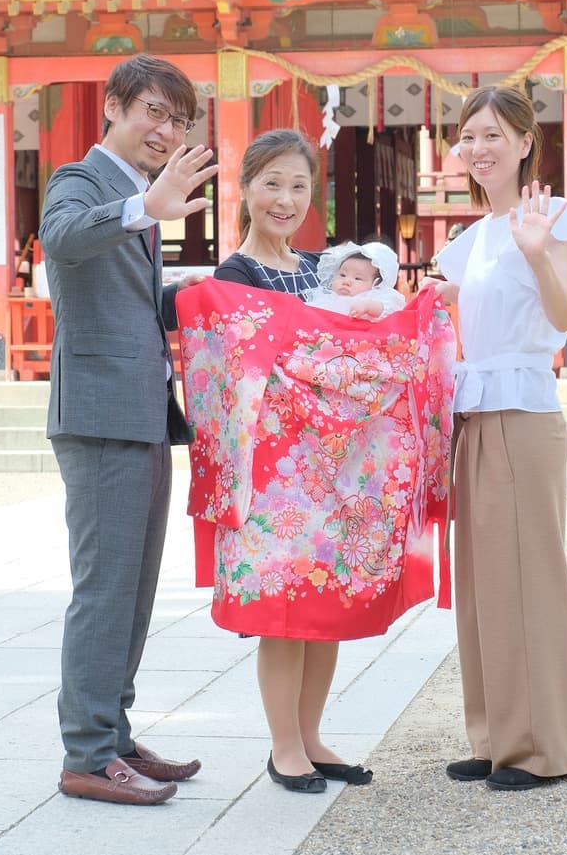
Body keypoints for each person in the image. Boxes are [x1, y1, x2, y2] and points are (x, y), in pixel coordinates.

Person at [38, 53, 219, 806]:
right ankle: (86, 753)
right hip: (101, 413)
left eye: (179, 120)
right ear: (113, 105)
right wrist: (148, 206)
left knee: (135, 589)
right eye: (154, 111)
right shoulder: (83, 181)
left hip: (144, 412)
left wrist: (231, 287)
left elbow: (138, 299)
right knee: (106, 589)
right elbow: (64, 238)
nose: (166, 129)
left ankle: (112, 733)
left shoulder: (137, 195)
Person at [425, 85, 567, 791]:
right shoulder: (465, 243)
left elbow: (564, 319)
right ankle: (494, 732)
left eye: (494, 135)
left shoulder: (553, 218)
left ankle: (541, 746)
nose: (478, 149)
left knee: (529, 573)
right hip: (473, 413)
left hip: (525, 412)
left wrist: (536, 254)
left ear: (527, 142)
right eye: (468, 136)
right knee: (480, 578)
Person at [210, 129, 378, 793]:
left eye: (299, 185)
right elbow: (242, 372)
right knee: (284, 609)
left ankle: (312, 735)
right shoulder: (235, 274)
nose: (286, 198)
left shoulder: (316, 270)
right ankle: (284, 746)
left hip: (327, 464)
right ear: (246, 188)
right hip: (271, 471)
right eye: (272, 183)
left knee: (323, 605)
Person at [303, 240, 407, 319]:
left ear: (377, 284)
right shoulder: (327, 298)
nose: (346, 281)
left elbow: (392, 308)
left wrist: (369, 307)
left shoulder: (376, 297)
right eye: (342, 275)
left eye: (358, 278)